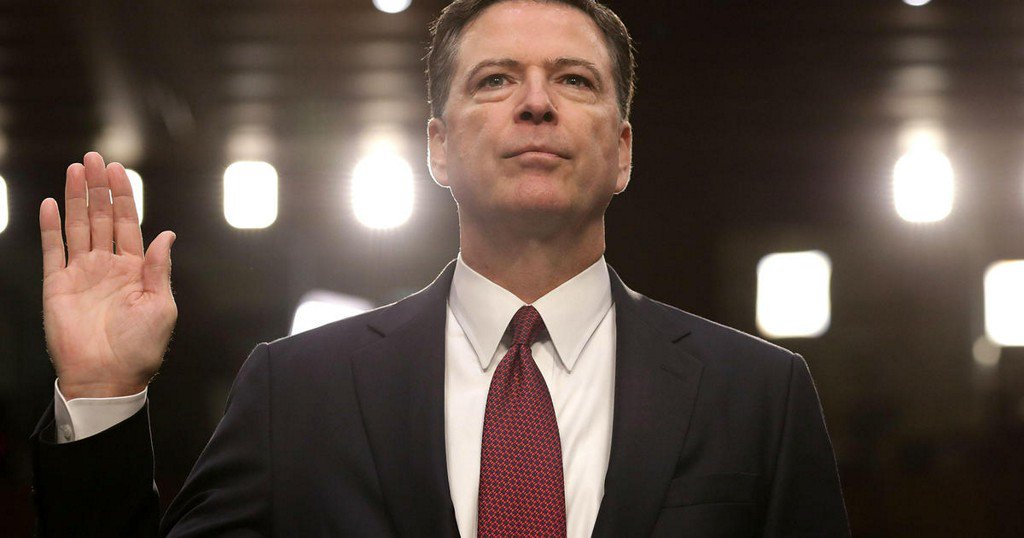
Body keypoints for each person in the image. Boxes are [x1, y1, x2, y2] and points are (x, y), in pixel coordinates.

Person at [31, 0, 850, 536]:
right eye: (495, 80)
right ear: (438, 149)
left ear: (624, 151)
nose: (537, 103)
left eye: (574, 80)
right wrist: (101, 394)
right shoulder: (298, 391)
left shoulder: (759, 396)